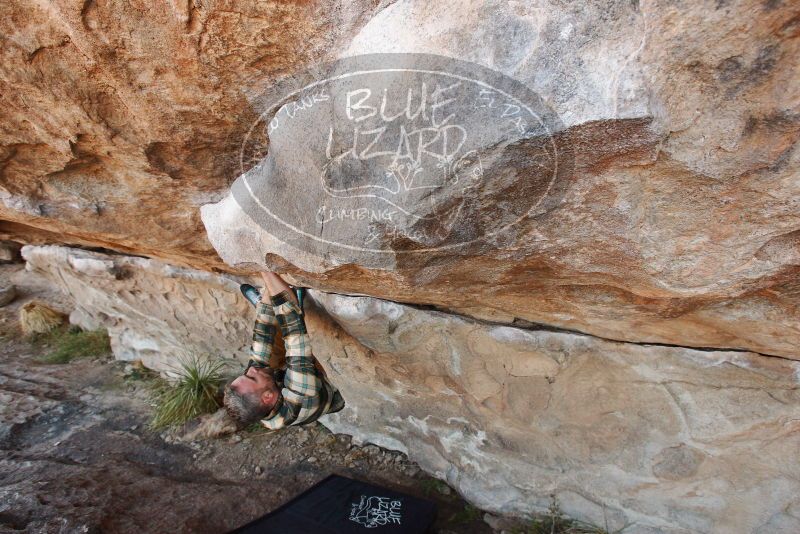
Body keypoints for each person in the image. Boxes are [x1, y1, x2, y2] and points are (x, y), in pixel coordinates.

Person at [223, 271, 344, 429]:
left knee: (267, 355)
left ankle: (270, 303)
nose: (251, 370)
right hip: (318, 384)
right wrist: (265, 267)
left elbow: (262, 337)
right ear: (268, 397)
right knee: (293, 328)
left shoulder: (257, 404)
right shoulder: (300, 395)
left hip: (286, 381)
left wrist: (267, 297)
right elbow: (294, 327)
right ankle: (290, 304)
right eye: (252, 378)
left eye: (245, 375)